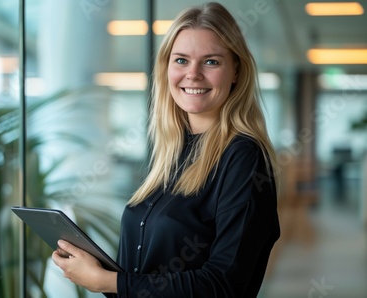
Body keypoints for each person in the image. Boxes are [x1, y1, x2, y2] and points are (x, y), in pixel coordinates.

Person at [52, 2, 280, 297]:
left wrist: (108, 283)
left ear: (236, 71)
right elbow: (147, 274)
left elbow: (224, 284)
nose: (193, 74)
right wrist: (100, 273)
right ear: (166, 68)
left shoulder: (243, 158)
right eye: (181, 60)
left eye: (211, 61)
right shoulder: (172, 151)